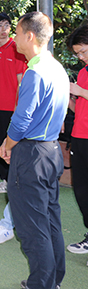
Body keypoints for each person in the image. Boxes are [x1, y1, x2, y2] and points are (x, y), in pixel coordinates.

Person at [0, 12, 69, 289]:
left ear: (29, 36)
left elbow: (21, 119)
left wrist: (7, 144)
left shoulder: (35, 72)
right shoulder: (57, 68)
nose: (13, 38)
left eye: (16, 32)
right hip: (51, 152)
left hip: (31, 155)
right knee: (50, 219)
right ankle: (52, 280)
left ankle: (42, 284)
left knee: (32, 226)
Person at [0, 13, 26, 194]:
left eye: (7, 25)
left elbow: (21, 81)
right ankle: (5, 179)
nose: (4, 29)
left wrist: (19, 107)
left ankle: (16, 180)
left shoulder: (18, 49)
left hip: (12, 107)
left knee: (13, 145)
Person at [66, 25, 88, 260]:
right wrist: (68, 99)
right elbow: (79, 107)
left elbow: (83, 94)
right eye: (78, 54)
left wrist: (80, 91)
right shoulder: (83, 72)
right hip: (79, 137)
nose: (80, 57)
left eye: (83, 51)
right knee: (82, 191)